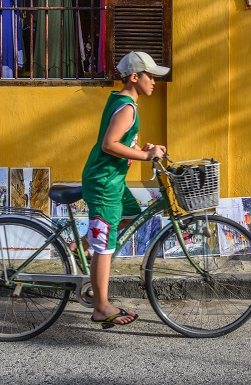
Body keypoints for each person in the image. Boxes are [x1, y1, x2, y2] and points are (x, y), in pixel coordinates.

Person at [81, 51, 168, 328]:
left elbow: (121, 142)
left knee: (131, 215)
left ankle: (79, 246)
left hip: (113, 180)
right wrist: (146, 157)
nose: (154, 81)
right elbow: (109, 144)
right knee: (105, 248)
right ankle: (101, 307)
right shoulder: (128, 106)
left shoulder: (123, 101)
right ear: (135, 77)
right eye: (150, 76)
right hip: (105, 182)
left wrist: (143, 149)